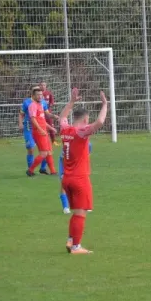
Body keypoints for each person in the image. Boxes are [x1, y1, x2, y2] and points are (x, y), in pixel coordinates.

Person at [59, 87, 108, 254]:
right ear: (86, 119)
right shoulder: (81, 132)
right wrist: (105, 104)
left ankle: (71, 239)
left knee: (76, 212)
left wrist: (72, 101)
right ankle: (76, 247)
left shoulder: (65, 129)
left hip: (66, 178)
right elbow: (100, 123)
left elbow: (62, 117)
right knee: (81, 214)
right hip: (80, 179)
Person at [23, 86, 58, 176]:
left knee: (49, 151)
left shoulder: (41, 105)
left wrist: (51, 128)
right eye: (38, 95)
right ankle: (30, 170)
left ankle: (53, 171)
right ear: (33, 96)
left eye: (41, 95)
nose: (40, 96)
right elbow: (33, 120)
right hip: (39, 132)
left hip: (44, 131)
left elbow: (42, 121)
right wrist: (40, 129)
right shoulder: (32, 106)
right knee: (43, 153)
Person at [59, 141, 92, 214]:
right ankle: (65, 207)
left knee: (85, 182)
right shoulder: (69, 142)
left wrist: (86, 169)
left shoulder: (88, 145)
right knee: (64, 183)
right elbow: (64, 158)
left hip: (79, 165)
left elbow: (87, 158)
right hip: (66, 163)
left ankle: (86, 206)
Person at [40, 81, 58, 146]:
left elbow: (52, 101)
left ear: (46, 86)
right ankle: (42, 141)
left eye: (44, 85)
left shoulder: (48, 93)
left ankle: (53, 141)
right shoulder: (38, 94)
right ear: (39, 86)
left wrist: (50, 105)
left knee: (51, 125)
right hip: (40, 113)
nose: (43, 86)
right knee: (41, 126)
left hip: (48, 113)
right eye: (41, 85)